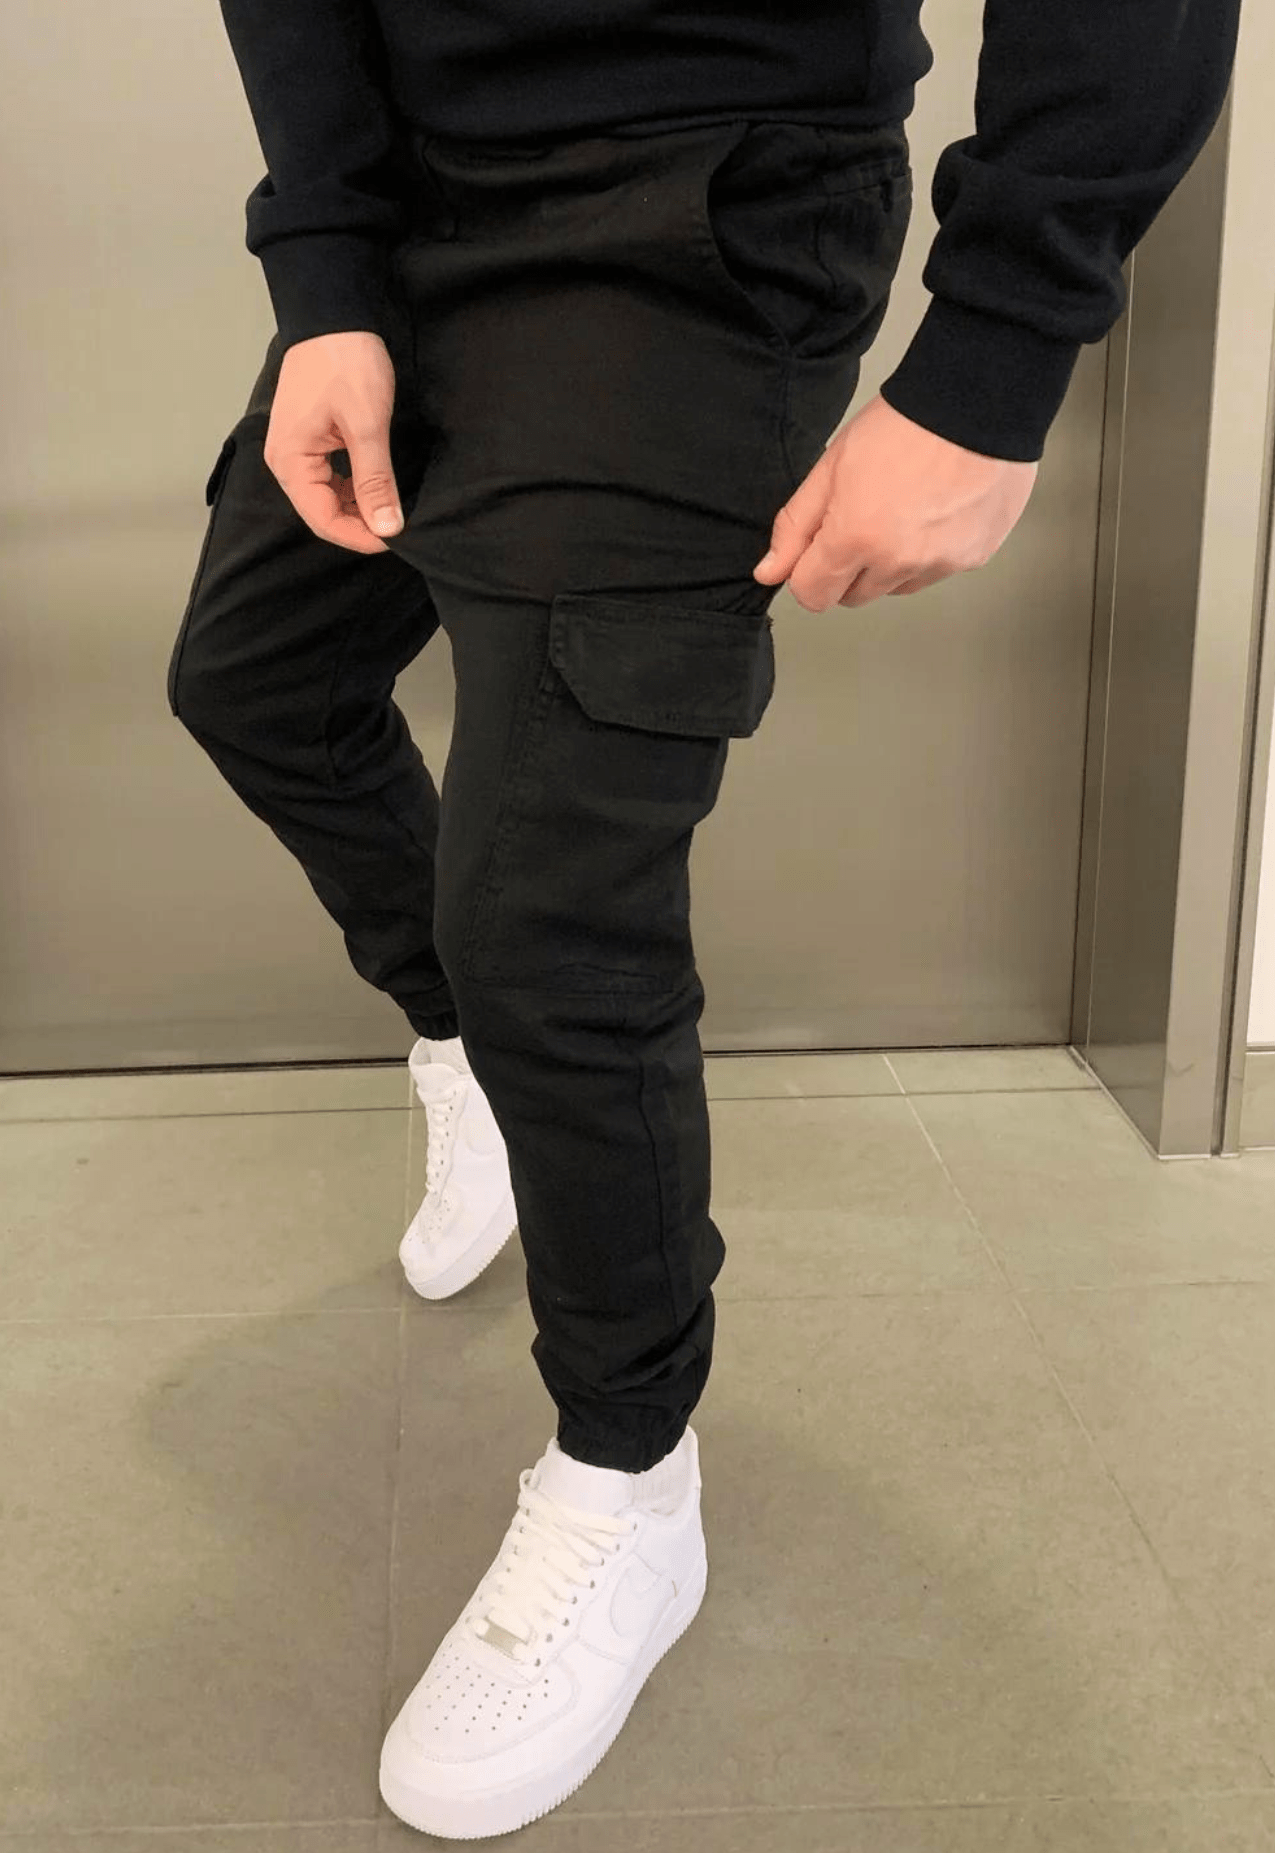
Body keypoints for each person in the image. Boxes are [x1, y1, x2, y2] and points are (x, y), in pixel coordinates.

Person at [169, 0, 1241, 1837]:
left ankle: (628, 1478)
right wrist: (325, 269)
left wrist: (995, 350)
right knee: (260, 686)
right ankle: (472, 1048)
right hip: (413, 207)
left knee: (552, 923)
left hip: (698, 218)